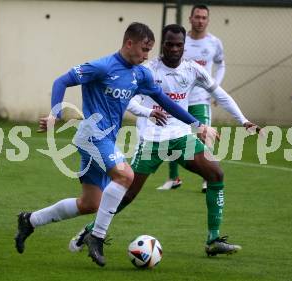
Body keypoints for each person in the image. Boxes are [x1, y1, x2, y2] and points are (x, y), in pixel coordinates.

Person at [14, 22, 215, 267]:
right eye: (144, 49)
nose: (146, 56)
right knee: (125, 175)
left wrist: (197, 124)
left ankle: (30, 221)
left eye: (149, 50)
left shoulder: (140, 73)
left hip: (106, 140)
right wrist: (55, 113)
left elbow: (163, 100)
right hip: (92, 135)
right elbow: (61, 81)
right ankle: (96, 237)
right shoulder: (102, 67)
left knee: (89, 204)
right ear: (129, 43)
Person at [69, 24, 259, 257]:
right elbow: (128, 101)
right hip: (152, 140)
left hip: (180, 137)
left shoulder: (193, 70)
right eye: (169, 44)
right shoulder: (147, 70)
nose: (174, 48)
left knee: (215, 174)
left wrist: (243, 120)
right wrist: (148, 113)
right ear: (163, 44)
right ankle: (89, 232)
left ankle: (213, 239)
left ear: (184, 46)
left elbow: (219, 94)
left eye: (179, 44)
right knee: (126, 195)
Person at [159, 4, 226, 193]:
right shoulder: (180, 40)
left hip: (200, 100)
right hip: (178, 100)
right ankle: (173, 178)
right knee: (171, 136)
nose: (200, 21)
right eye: (197, 17)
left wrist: (215, 88)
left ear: (208, 20)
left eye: (204, 17)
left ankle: (207, 178)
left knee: (204, 136)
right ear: (190, 18)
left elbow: (221, 65)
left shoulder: (214, 43)